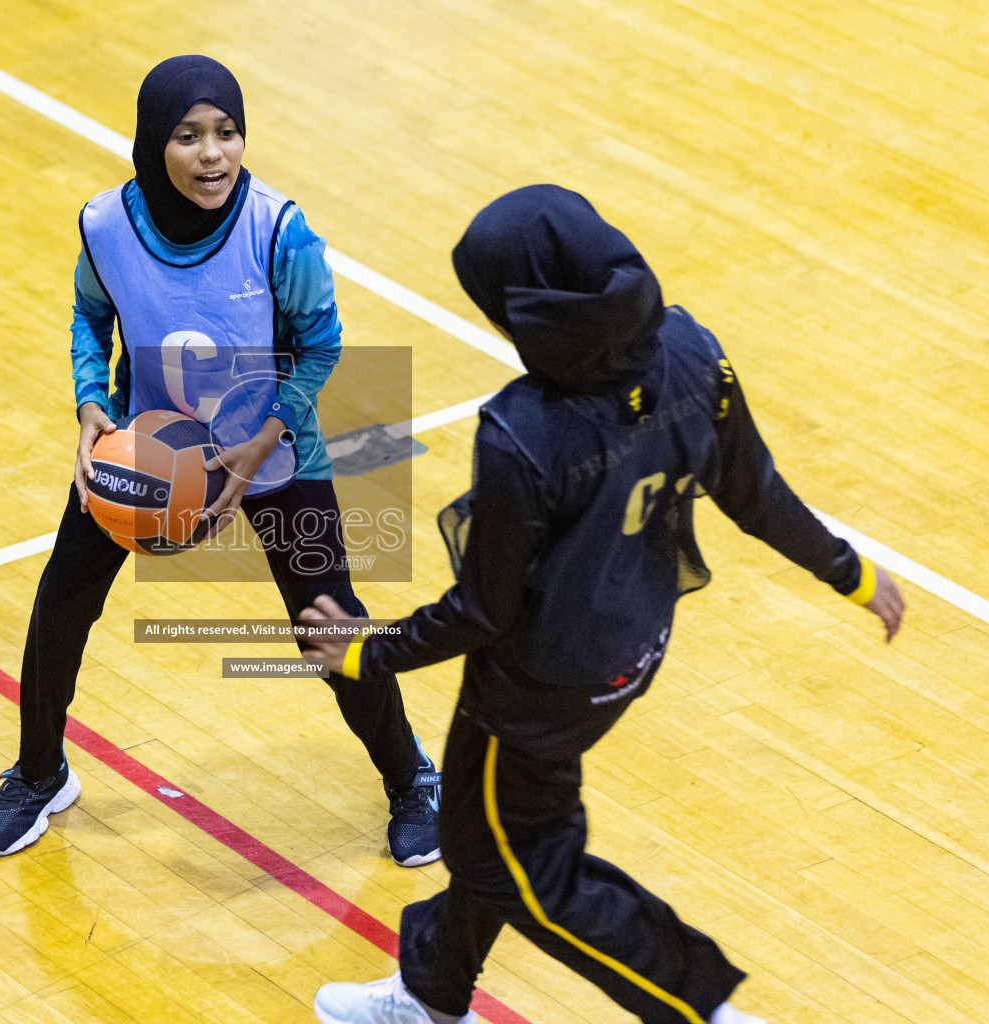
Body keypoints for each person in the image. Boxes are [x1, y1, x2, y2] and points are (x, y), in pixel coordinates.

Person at [299, 186, 906, 1024]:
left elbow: (482, 611)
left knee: (527, 867)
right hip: (633, 648)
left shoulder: (523, 433)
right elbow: (756, 493)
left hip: (536, 686)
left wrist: (369, 652)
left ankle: (702, 1009)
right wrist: (851, 573)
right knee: (491, 841)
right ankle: (431, 995)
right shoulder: (692, 349)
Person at [0, 56, 441, 867]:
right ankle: (40, 772)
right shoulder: (106, 226)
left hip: (272, 446)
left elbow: (321, 344)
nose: (213, 154)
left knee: (325, 626)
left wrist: (264, 440)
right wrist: (91, 403)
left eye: (227, 132)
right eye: (189, 136)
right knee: (61, 605)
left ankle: (413, 781)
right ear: (154, 142)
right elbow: (91, 313)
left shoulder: (278, 229)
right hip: (146, 450)